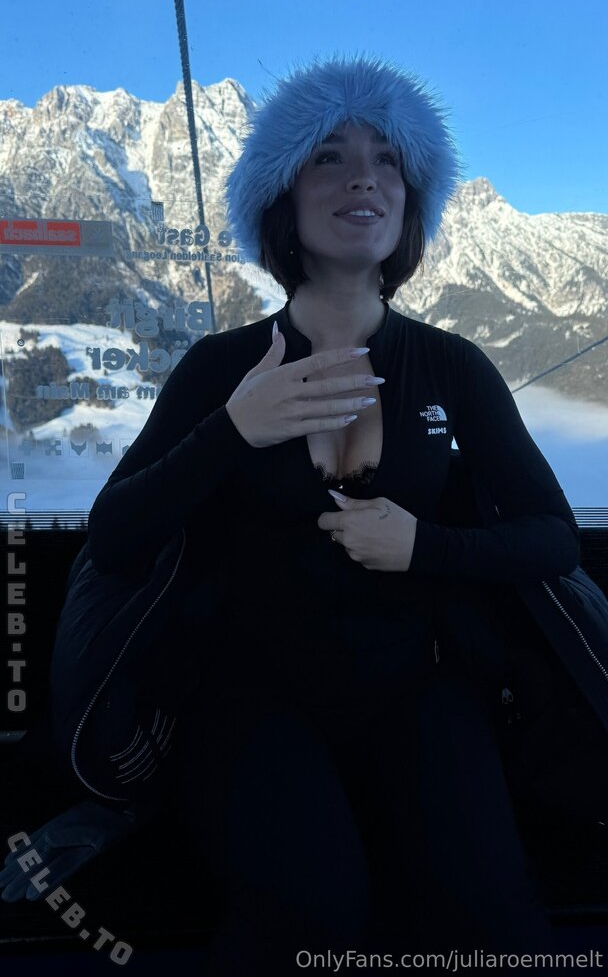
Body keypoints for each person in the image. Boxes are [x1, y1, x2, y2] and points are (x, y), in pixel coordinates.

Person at [83, 53, 580, 973]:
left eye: (388, 159)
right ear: (284, 203)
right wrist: (234, 430)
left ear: (410, 203)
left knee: (492, 912)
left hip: (420, 686)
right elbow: (113, 536)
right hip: (248, 695)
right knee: (312, 911)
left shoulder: (453, 365)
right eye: (330, 157)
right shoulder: (221, 367)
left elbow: (553, 536)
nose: (364, 176)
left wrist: (425, 546)